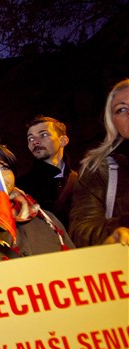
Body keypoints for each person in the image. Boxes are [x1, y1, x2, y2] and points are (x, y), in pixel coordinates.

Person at [69, 79, 129, 246]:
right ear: (113, 123)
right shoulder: (100, 169)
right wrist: (115, 231)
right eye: (121, 109)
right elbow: (81, 232)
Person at [16, 116, 77, 227]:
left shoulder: (82, 181)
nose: (35, 142)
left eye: (43, 135)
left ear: (63, 141)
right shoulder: (21, 188)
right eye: (30, 138)